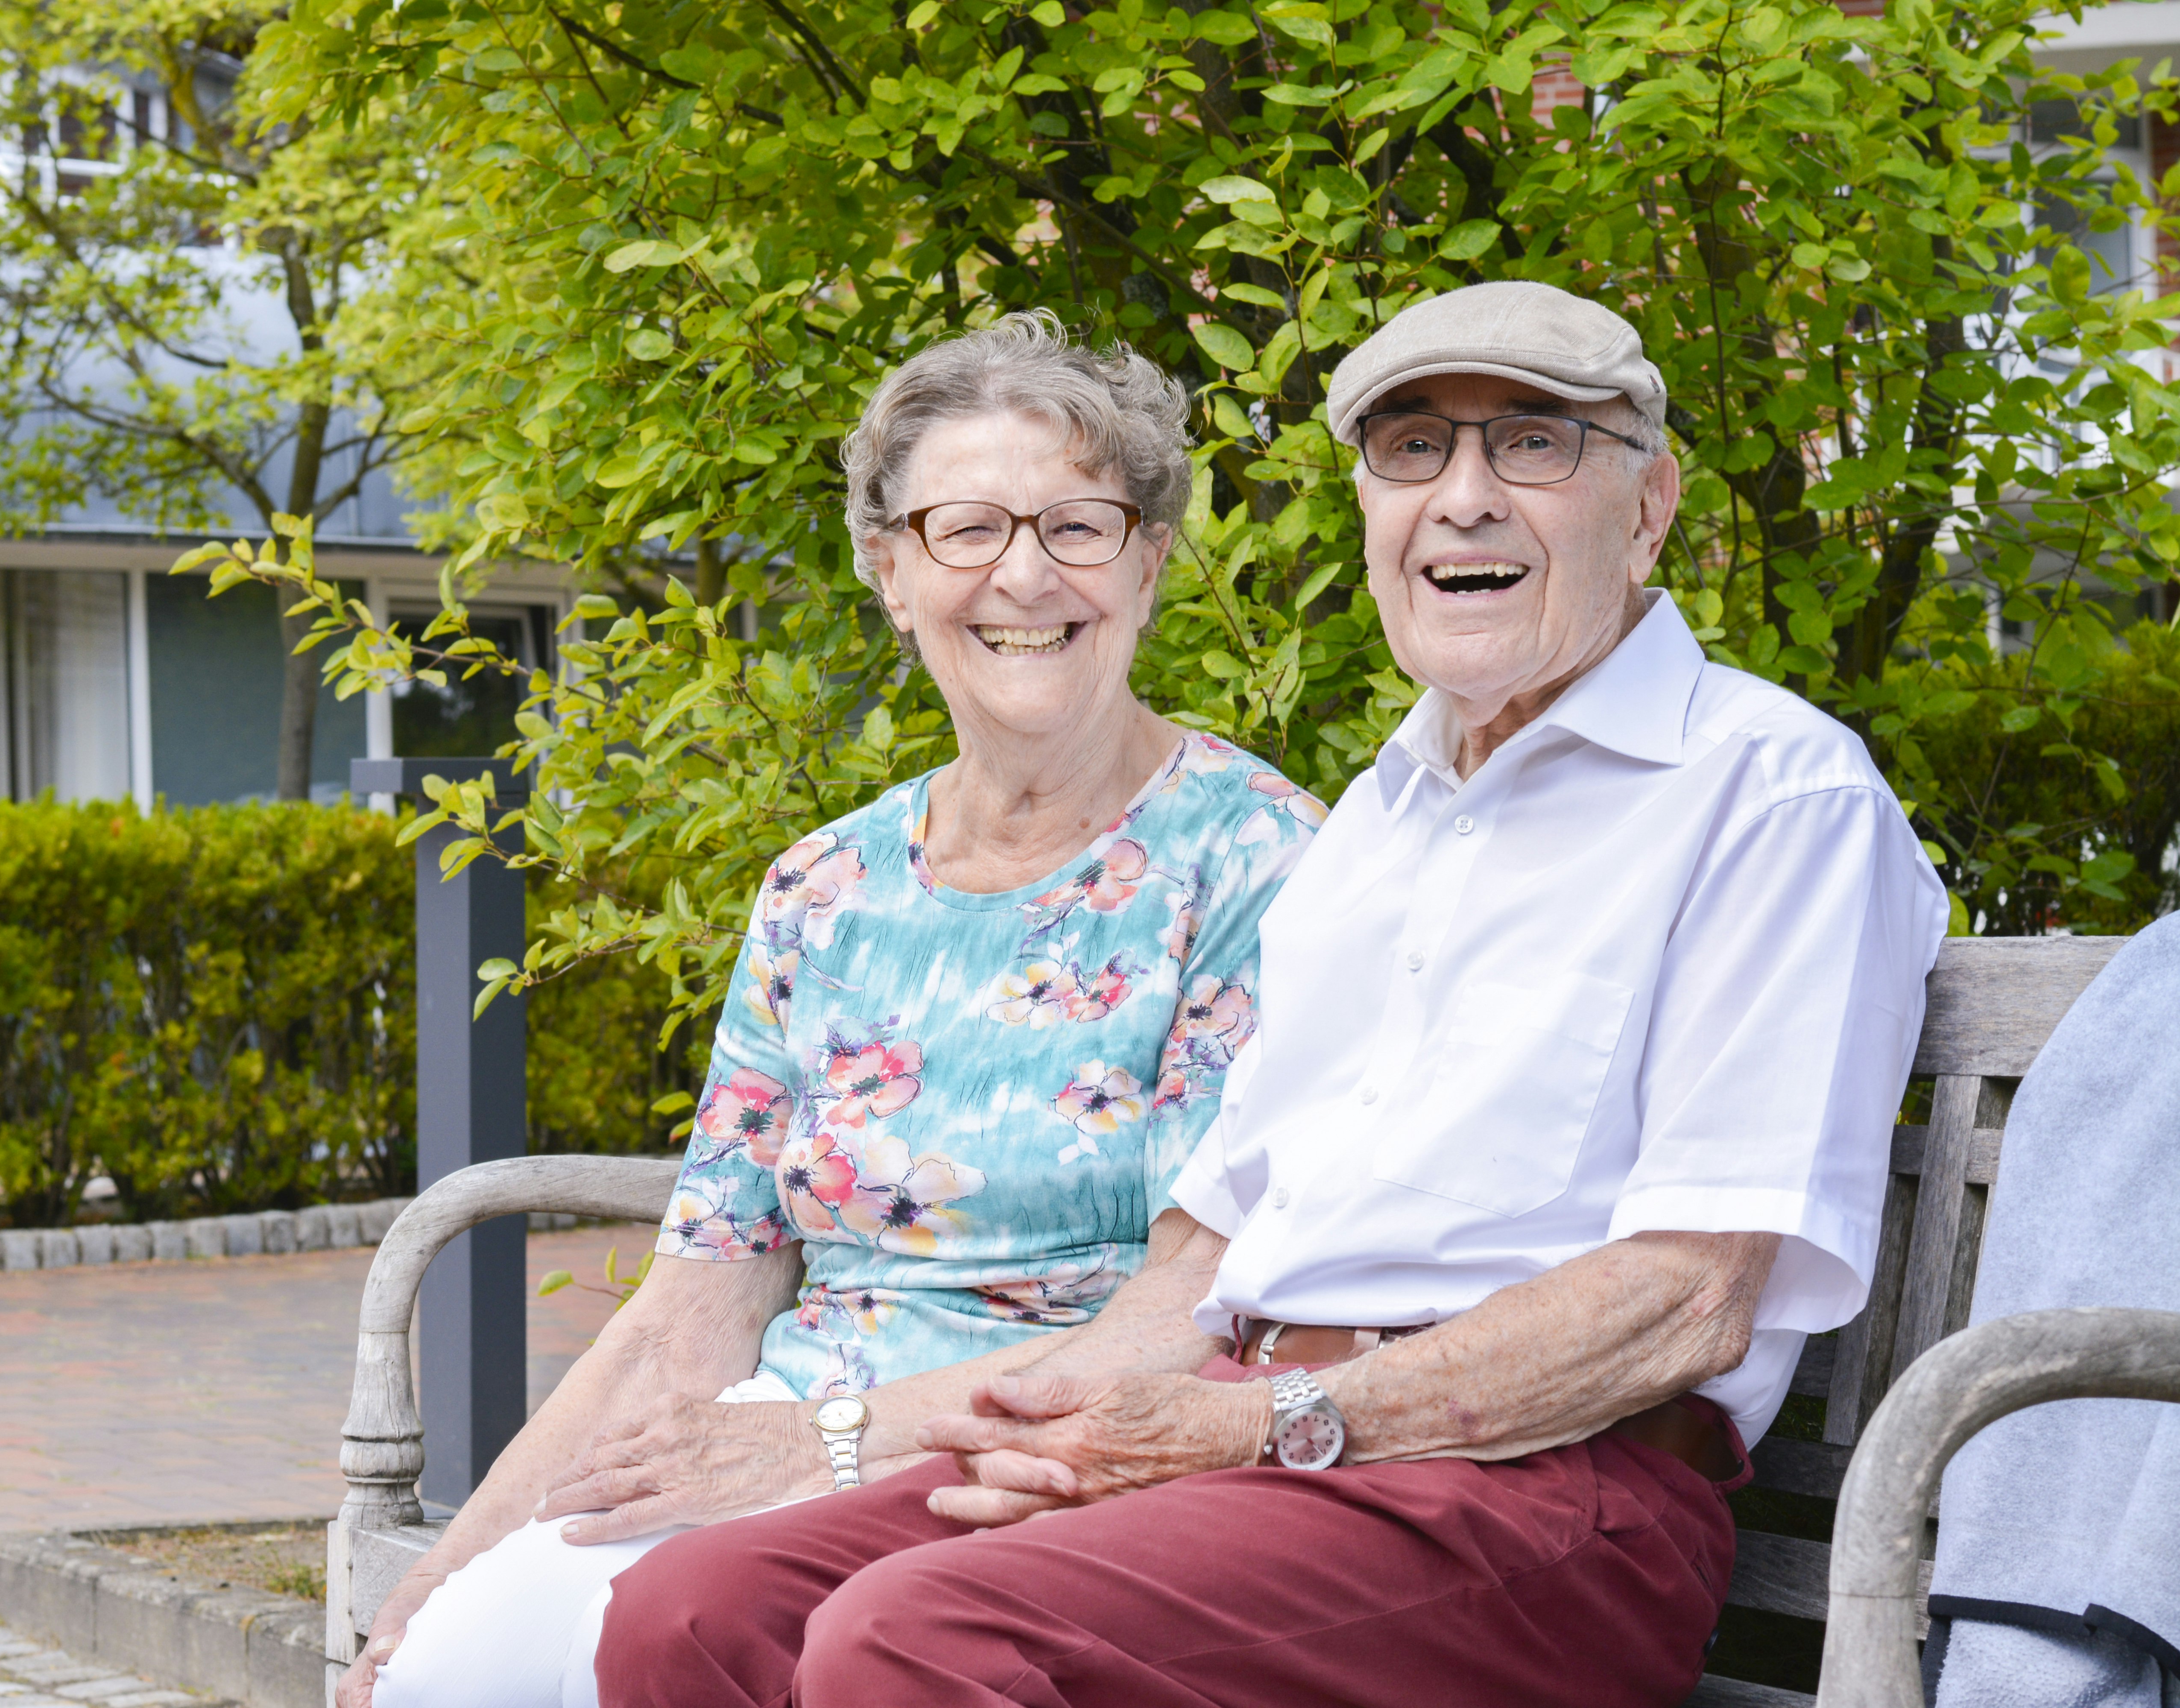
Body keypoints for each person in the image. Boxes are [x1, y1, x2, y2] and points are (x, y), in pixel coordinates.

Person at [591, 279, 1952, 1708]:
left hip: (1546, 1495)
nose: (1466, 498)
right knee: (695, 1612)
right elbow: (1211, 1258)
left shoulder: (1767, 792)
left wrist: (1262, 1432)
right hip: (1274, 1444)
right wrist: (1014, 1427)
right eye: (1414, 450)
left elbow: (1684, 1304)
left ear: (1652, 502)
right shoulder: (1383, 819)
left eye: (1536, 445)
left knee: (930, 1639)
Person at [353, 313, 1325, 1708]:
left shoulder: (1254, 860)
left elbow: (1195, 1308)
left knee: (655, 1645)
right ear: (890, 569)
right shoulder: (822, 888)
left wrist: (836, 1445)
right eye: (968, 528)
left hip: (1051, 1473)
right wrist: (444, 1575)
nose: (1025, 574)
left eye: (1078, 526)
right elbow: (688, 1313)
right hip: (783, 1439)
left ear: (1151, 558)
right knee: (456, 1676)